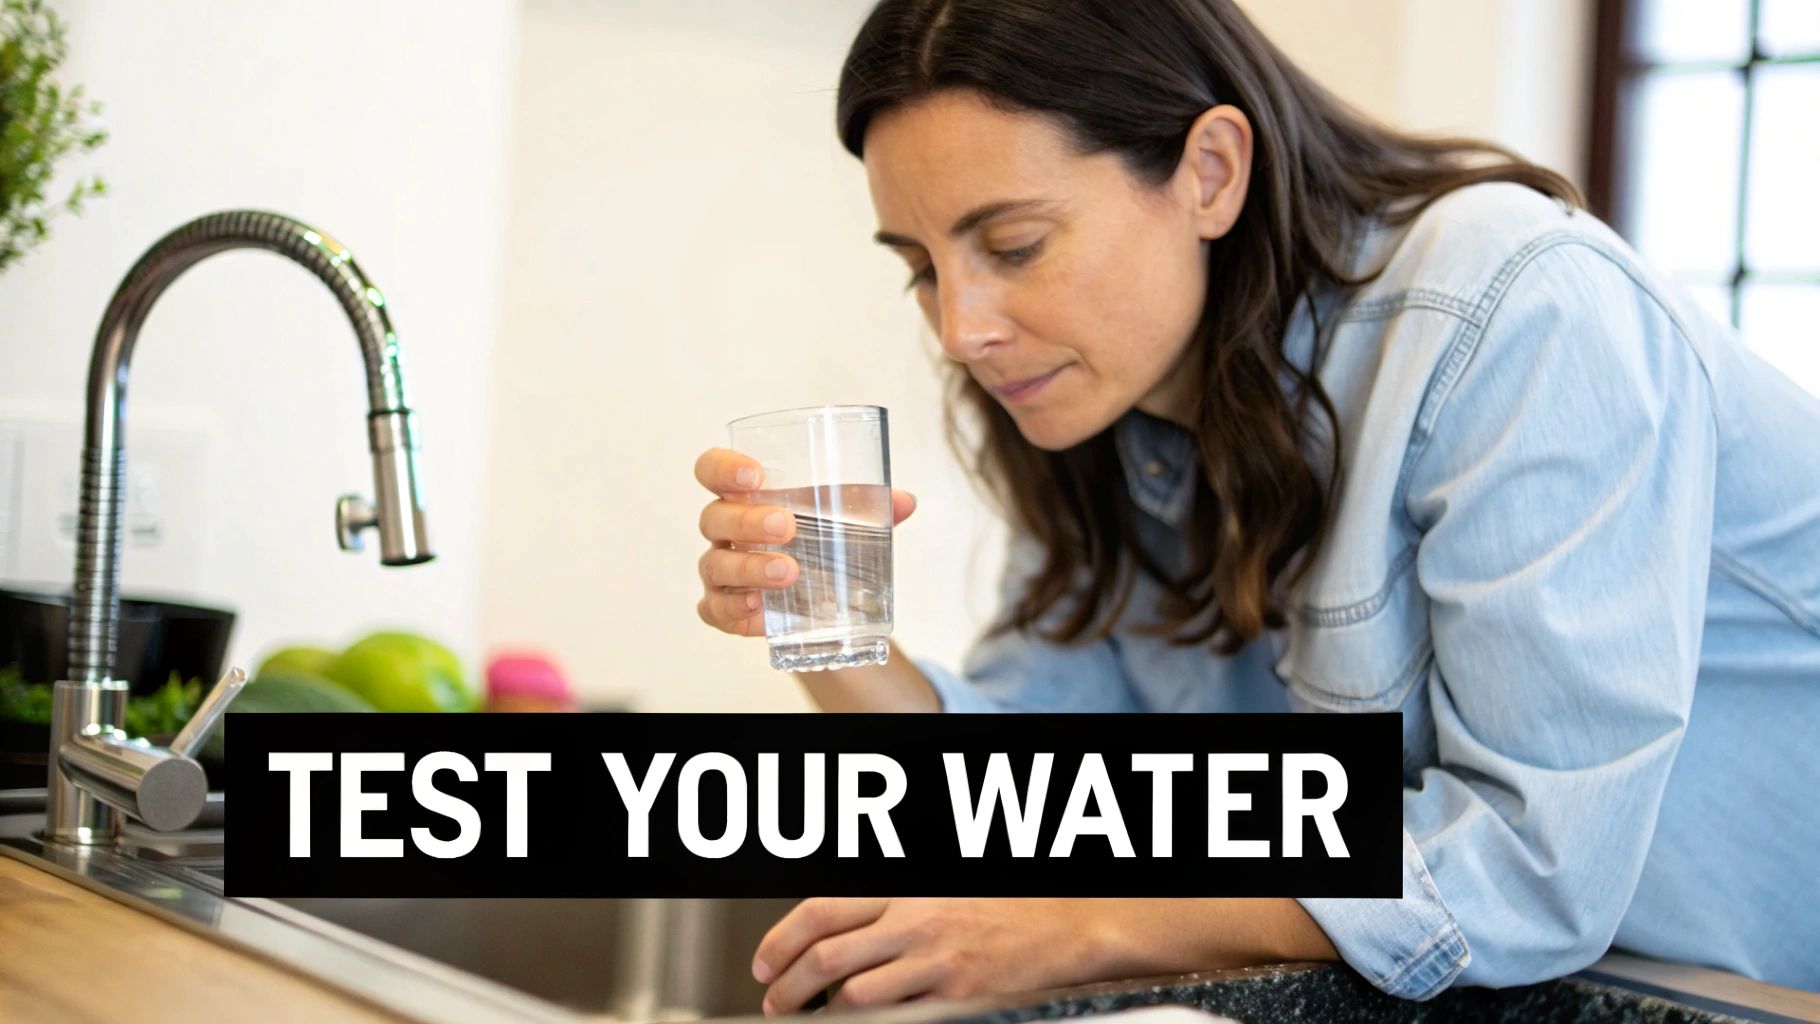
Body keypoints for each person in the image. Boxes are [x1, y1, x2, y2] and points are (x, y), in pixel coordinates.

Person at [692, 0, 1820, 1013]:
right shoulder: (1133, 414)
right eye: (921, 266)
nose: (960, 328)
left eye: (1013, 245)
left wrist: (1077, 926)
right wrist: (819, 624)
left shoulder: (1517, 309)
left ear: (1211, 172)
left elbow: (1528, 869)